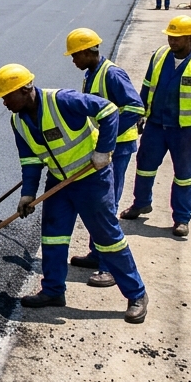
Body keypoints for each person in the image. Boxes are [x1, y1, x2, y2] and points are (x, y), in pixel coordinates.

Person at [0, 63, 149, 323]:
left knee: (108, 238)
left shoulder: (62, 101)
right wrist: (28, 194)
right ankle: (53, 291)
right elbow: (30, 160)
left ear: (26, 88)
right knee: (53, 237)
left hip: (91, 179)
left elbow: (109, 110)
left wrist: (104, 148)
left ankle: (137, 294)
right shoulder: (18, 121)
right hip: (58, 182)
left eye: (7, 96)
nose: (5, 102)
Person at [121, 15, 191, 238]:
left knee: (184, 174)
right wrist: (139, 113)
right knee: (144, 166)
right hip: (156, 125)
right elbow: (146, 87)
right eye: (170, 37)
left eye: (178, 38)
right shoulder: (158, 56)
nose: (172, 41)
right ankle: (141, 203)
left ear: (190, 37)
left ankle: (182, 218)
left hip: (184, 131)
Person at [64, 28, 146, 287]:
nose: (73, 61)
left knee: (106, 205)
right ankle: (97, 253)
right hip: (102, 148)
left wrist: (106, 138)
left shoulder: (112, 74)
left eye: (76, 55)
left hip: (117, 149)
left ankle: (109, 267)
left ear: (89, 52)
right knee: (96, 203)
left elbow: (135, 107)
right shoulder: (91, 74)